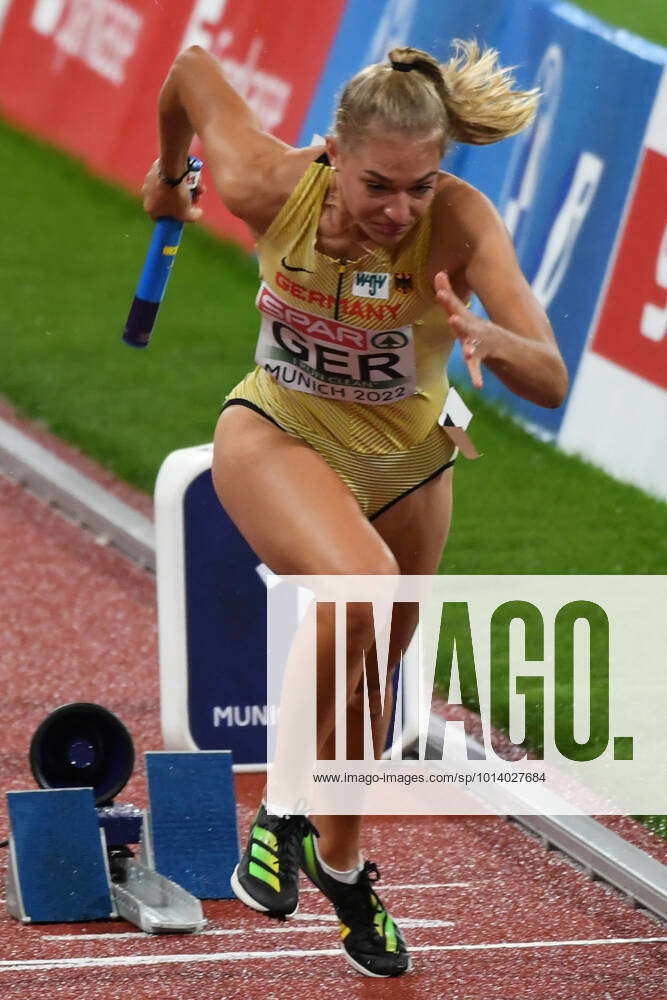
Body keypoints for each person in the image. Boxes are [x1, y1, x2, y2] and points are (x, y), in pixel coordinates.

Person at [143, 39, 568, 978]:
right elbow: (187, 67)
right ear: (334, 151)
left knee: (368, 681)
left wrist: (493, 338)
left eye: (420, 187)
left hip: (413, 463)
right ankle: (280, 817)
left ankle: (339, 868)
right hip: (277, 431)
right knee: (356, 584)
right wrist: (172, 179)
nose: (398, 211)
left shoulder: (460, 223)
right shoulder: (265, 182)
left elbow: (551, 376)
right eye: (380, 185)